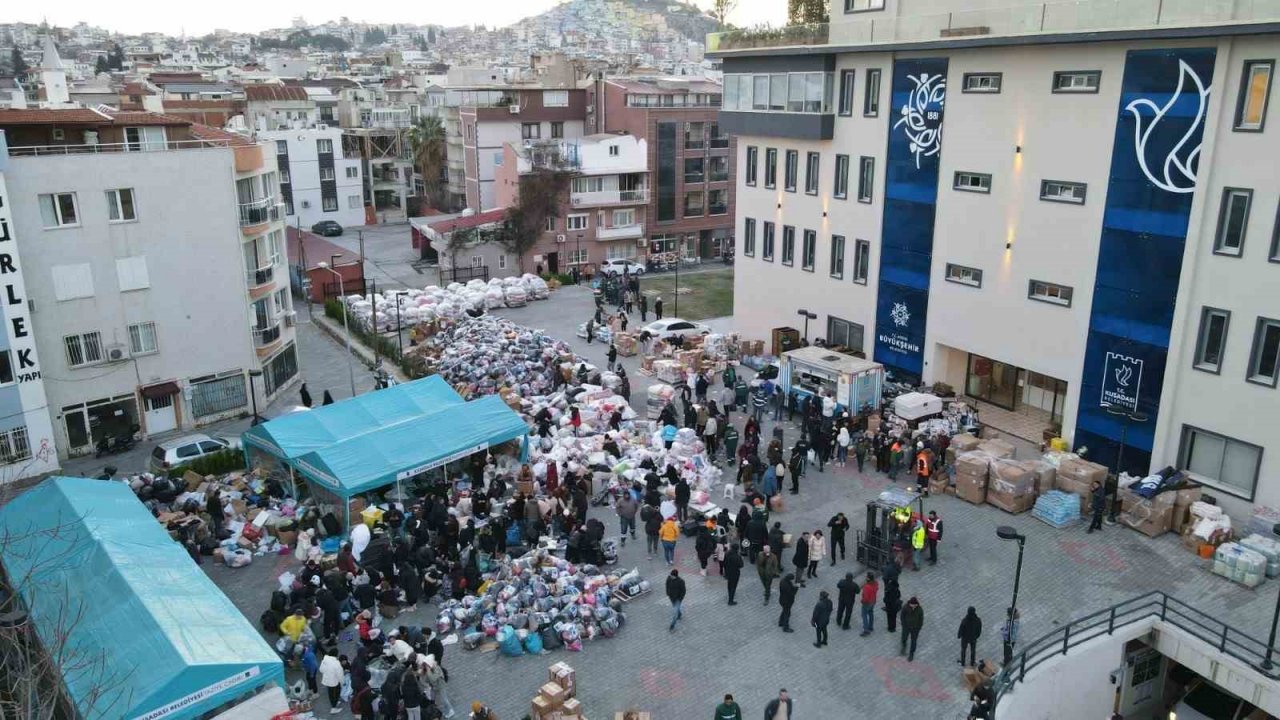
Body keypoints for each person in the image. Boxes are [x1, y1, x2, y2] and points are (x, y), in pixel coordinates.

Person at [900, 596, 924, 662]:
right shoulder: (905, 607)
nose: (913, 606)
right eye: (912, 604)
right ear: (910, 603)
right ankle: (903, 646)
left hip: (915, 628)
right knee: (904, 637)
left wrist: (919, 627)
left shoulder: (919, 609)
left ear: (916, 604)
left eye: (914, 605)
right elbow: (902, 616)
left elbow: (921, 619)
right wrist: (903, 624)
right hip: (906, 627)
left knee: (913, 641)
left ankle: (911, 653)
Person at [859, 572, 879, 636]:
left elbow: (866, 598)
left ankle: (866, 630)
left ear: (868, 579)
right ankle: (871, 626)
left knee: (864, 615)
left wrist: (862, 601)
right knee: (870, 613)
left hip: (867, 603)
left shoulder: (867, 587)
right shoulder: (876, 583)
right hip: (873, 601)